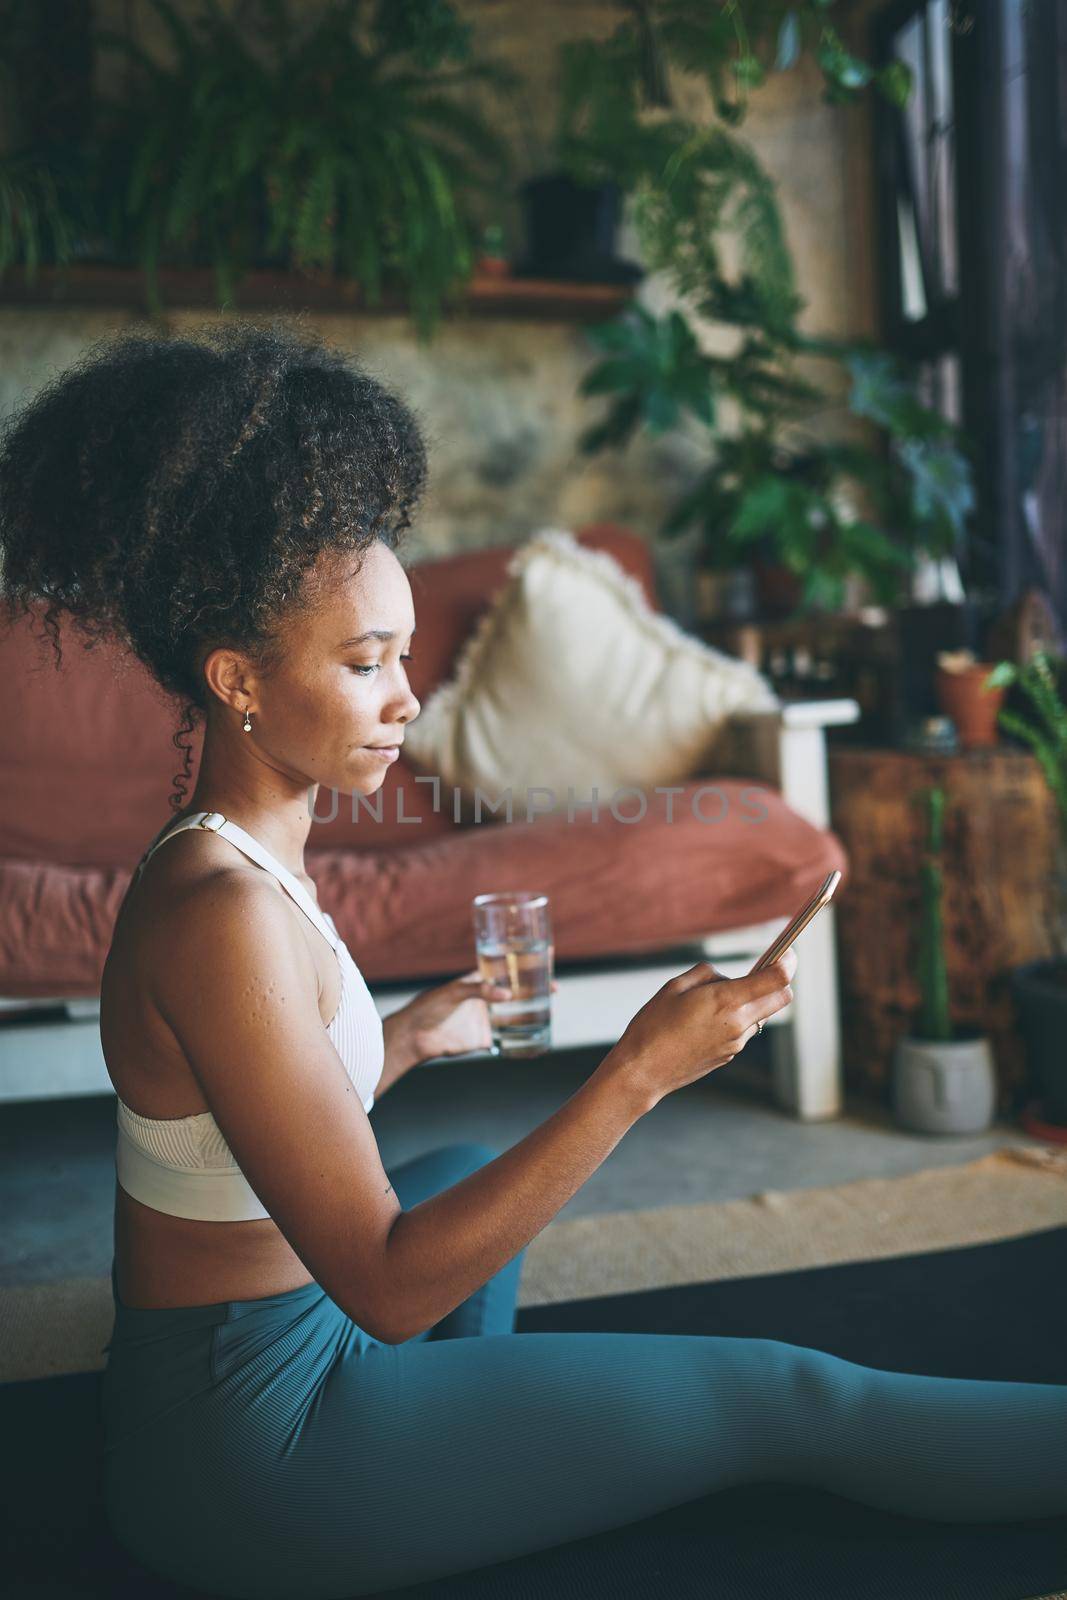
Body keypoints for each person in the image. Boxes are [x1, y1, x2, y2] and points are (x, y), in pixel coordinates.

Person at [1, 321, 1063, 1600]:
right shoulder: (219, 907)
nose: (406, 698)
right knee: (783, 1392)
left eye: (403, 654)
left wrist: (397, 1042)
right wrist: (637, 1073)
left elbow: (219, 1124)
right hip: (257, 1457)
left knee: (452, 1168)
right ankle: (417, 1476)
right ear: (237, 679)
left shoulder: (233, 853)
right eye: (365, 664)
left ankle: (458, 1453)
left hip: (237, 1377)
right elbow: (390, 1288)